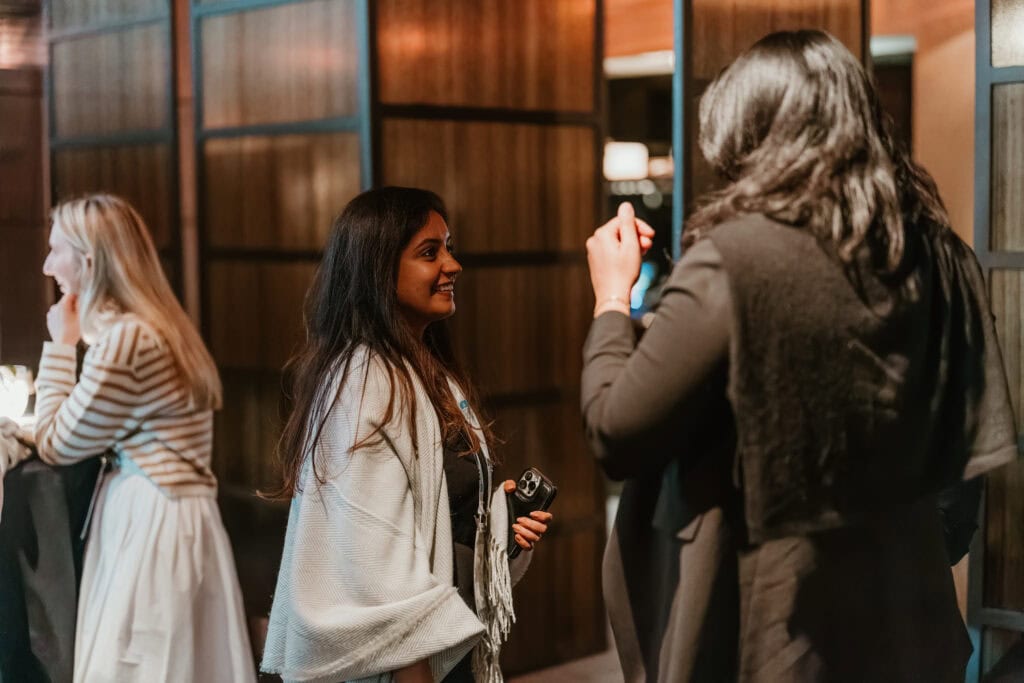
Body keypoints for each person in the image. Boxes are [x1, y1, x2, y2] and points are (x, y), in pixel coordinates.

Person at [582, 30, 1018, 683]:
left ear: (753, 138)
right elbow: (959, 452)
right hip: (911, 619)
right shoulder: (938, 254)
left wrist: (613, 294)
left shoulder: (735, 260)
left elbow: (615, 429)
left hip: (780, 632)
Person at [261, 187, 553, 683]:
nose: (453, 265)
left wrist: (495, 520)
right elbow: (376, 567)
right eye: (429, 252)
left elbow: (434, 511)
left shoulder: (425, 371)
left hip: (434, 648)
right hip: (405, 665)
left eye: (449, 246)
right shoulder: (366, 380)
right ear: (377, 270)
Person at [32, 194, 255, 681]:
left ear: (88, 260)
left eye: (56, 251)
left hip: (152, 520)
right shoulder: (156, 327)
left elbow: (55, 443)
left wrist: (60, 346)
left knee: (141, 665)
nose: (49, 266)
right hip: (172, 512)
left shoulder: (126, 339)